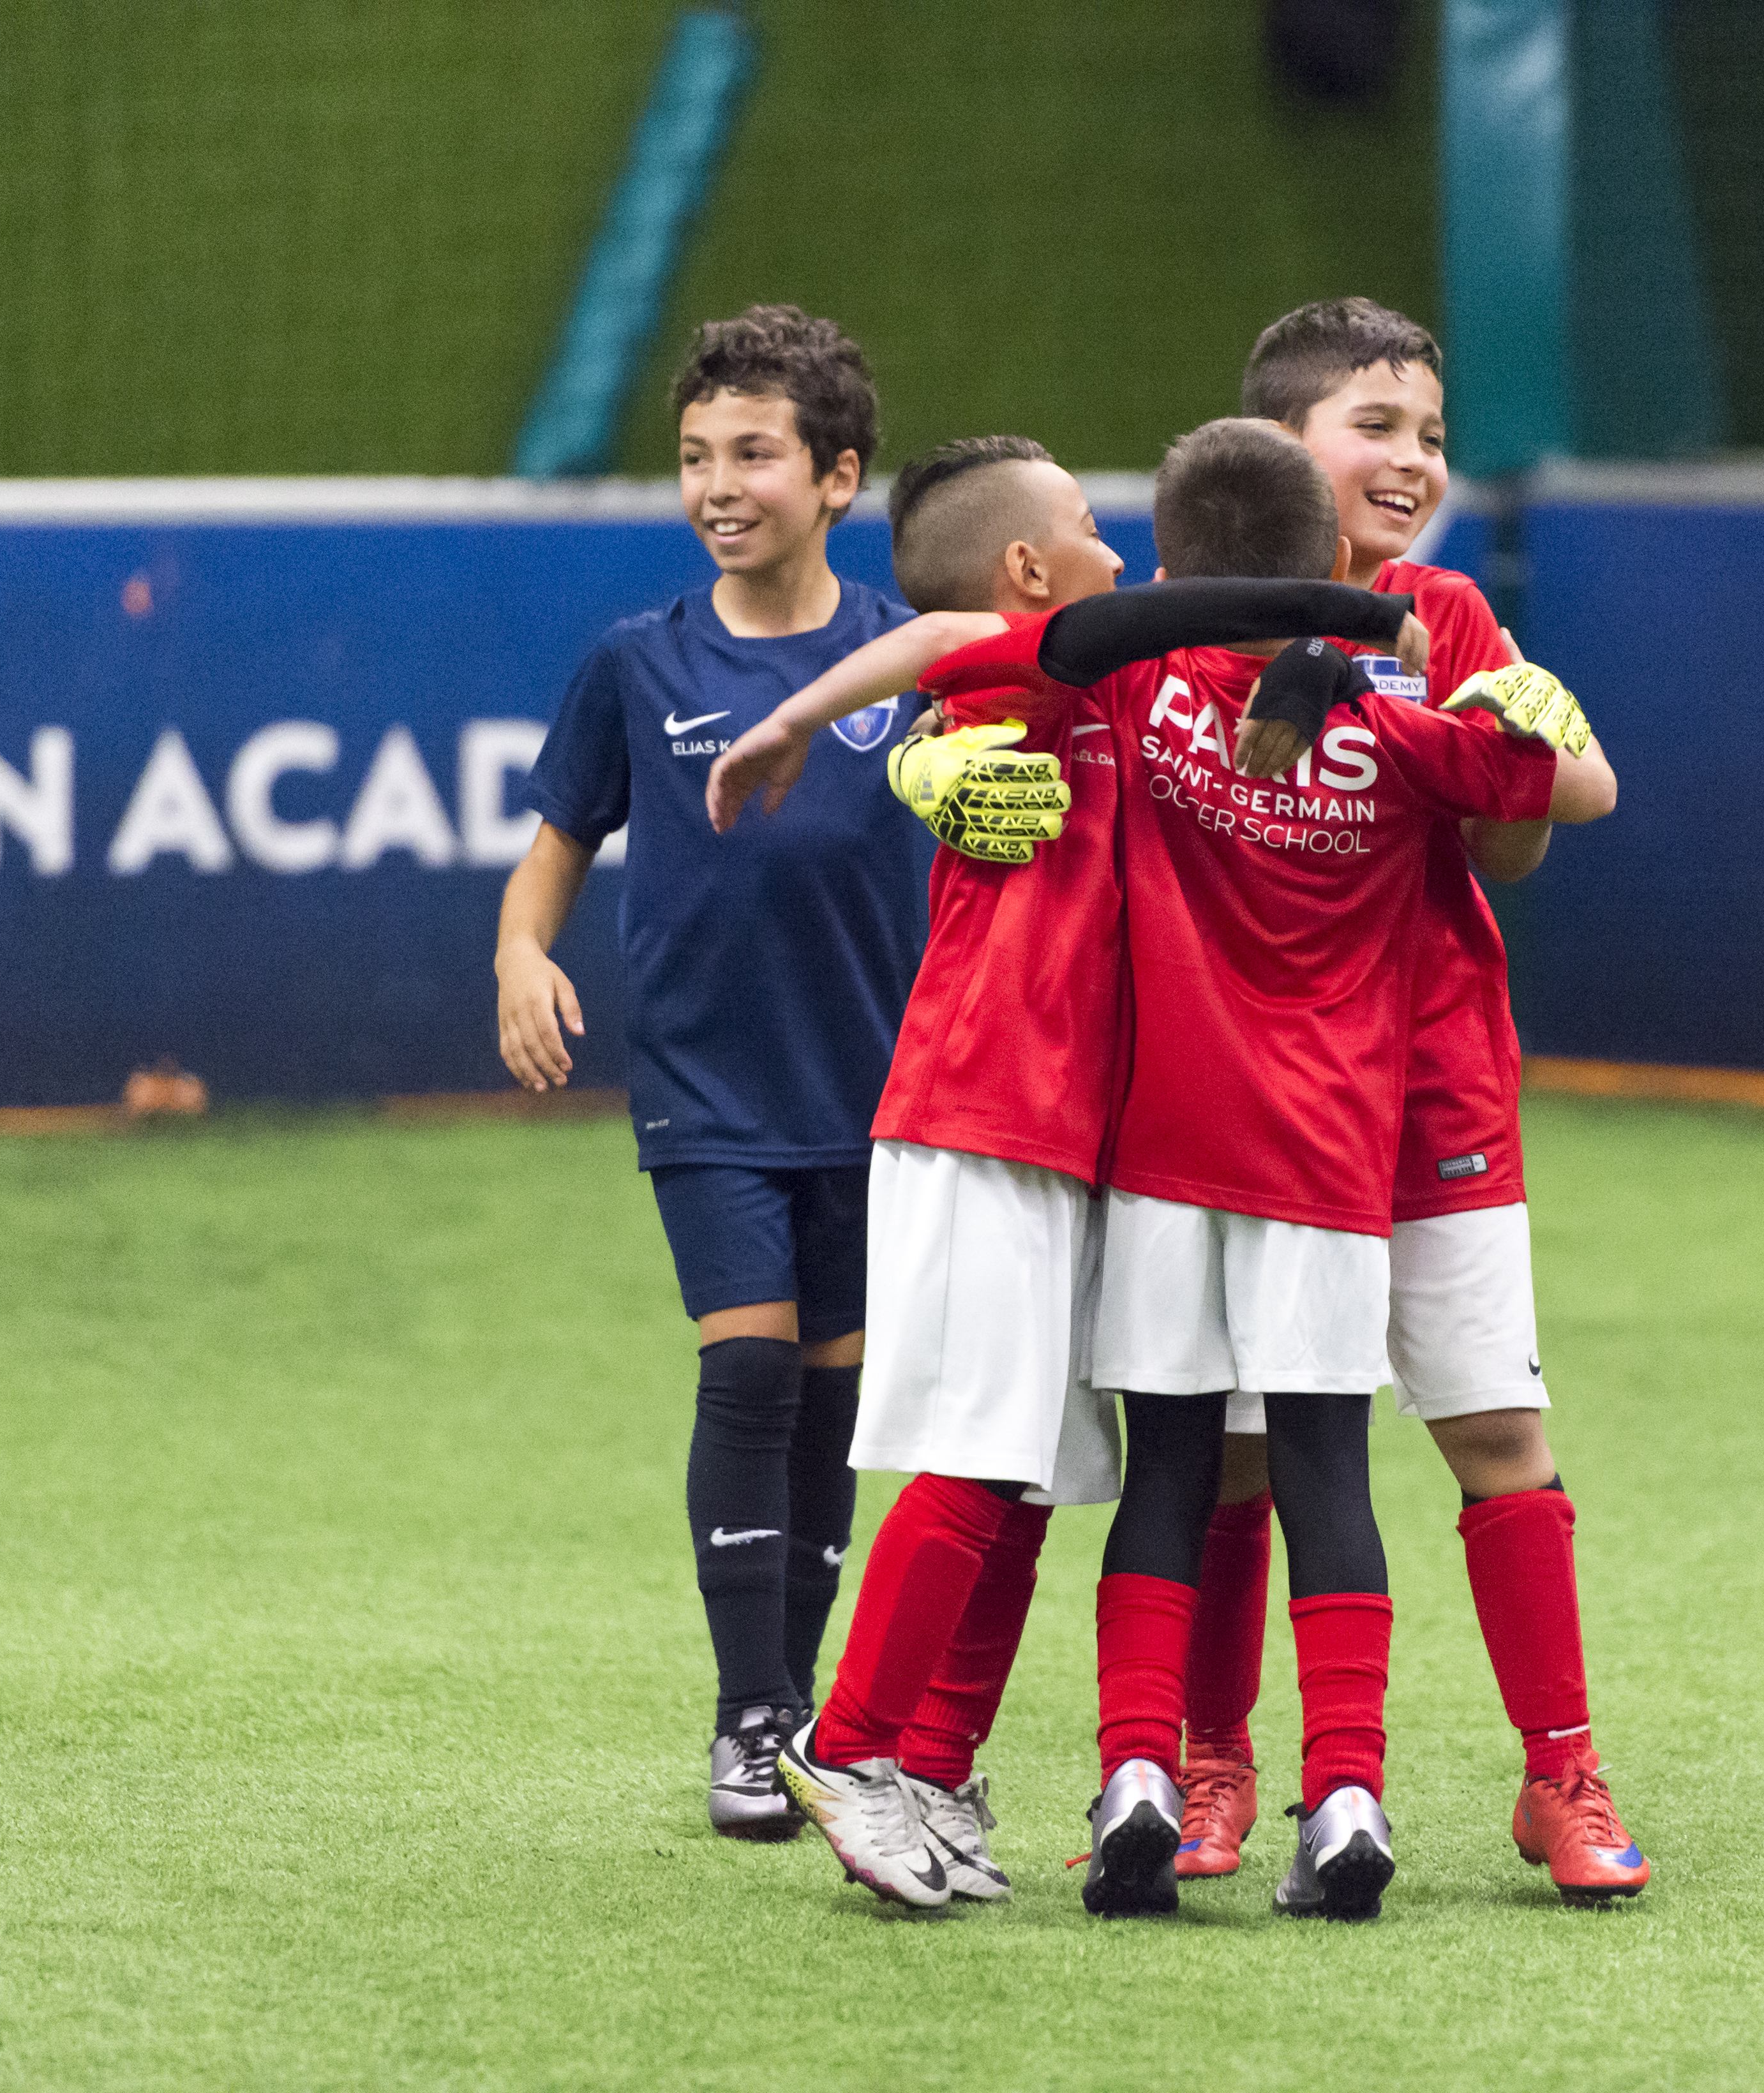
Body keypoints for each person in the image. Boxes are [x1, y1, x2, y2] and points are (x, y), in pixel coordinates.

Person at [705, 437, 1430, 1907]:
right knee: (979, 1456)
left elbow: (953, 636)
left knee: (1027, 1477)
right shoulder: (1042, 665)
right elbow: (969, 633)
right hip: (988, 1117)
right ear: (1029, 575)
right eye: (1090, 527)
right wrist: (1350, 607)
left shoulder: (1091, 690)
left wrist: (1325, 660)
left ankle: (936, 1765)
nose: (1116, 548)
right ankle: (847, 1746)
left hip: (1072, 1143)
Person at [1053, 421, 1617, 1922]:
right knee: (1327, 1474)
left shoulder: (1145, 691)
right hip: (1329, 1167)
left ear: (1175, 562)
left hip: (1169, 1154)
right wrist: (1370, 642)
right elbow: (1545, 776)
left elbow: (1055, 640)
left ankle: (1139, 1774)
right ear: (1325, 555)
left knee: (1171, 1469)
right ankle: (1350, 1787)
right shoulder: (1395, 729)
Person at [489, 304, 921, 1843]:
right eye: (694, 457)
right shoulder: (634, 661)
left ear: (838, 476)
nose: (718, 482)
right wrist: (520, 955)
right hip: (705, 1084)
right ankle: (747, 1720)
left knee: (831, 1399)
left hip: (877, 1097)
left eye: (753, 453)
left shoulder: (906, 655)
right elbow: (555, 845)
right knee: (745, 1366)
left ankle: (801, 1712)